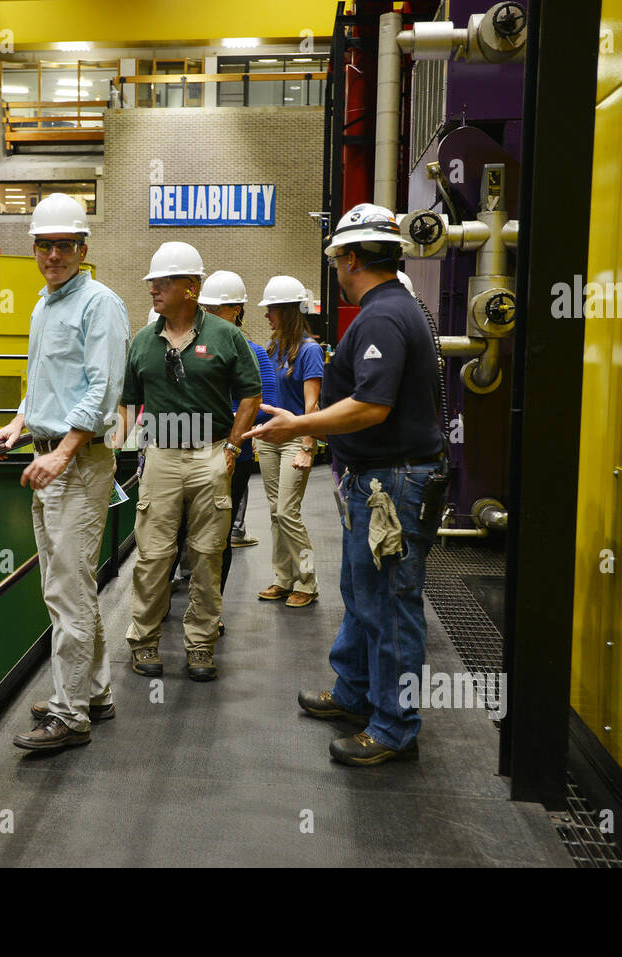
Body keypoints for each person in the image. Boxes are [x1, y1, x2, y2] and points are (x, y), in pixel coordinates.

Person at [245, 203, 444, 766]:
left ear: (352, 257)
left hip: (393, 485)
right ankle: (357, 693)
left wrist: (299, 425)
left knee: (389, 604)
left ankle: (394, 726)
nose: (337, 270)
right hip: (380, 481)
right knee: (363, 595)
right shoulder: (397, 309)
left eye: (338, 259)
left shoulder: (382, 316)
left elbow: (373, 407)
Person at [0, 193, 129, 751]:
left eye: (64, 245)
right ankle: (93, 692)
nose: (54, 255)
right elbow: (40, 380)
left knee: (68, 593)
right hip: (46, 456)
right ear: (35, 249)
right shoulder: (43, 306)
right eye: (44, 246)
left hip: (75, 464)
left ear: (82, 248)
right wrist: (19, 423)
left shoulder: (101, 304)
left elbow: (103, 390)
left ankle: (69, 716)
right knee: (65, 587)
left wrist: (63, 452)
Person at [116, 243, 262, 682]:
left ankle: (200, 646)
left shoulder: (225, 336)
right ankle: (144, 642)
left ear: (191, 288)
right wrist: (113, 454)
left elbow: (251, 393)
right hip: (160, 455)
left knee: (206, 554)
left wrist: (234, 448)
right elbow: (128, 403)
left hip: (210, 454)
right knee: (154, 554)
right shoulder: (143, 341)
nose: (153, 289)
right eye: (152, 283)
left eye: (163, 282)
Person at [196, 270, 280, 606]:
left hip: (234, 458)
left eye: (221, 310)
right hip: (190, 453)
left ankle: (210, 608)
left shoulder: (254, 353)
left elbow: (266, 405)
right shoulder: (195, 350)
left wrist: (227, 424)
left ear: (237, 310)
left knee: (218, 539)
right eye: (209, 311)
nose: (214, 318)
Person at [253, 275, 325, 609]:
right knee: (275, 512)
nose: (267, 315)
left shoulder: (310, 351)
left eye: (272, 310)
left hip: (296, 438)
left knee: (287, 511)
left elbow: (312, 406)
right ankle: (283, 578)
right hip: (270, 439)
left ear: (288, 311)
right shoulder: (274, 348)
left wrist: (308, 446)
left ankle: (308, 581)